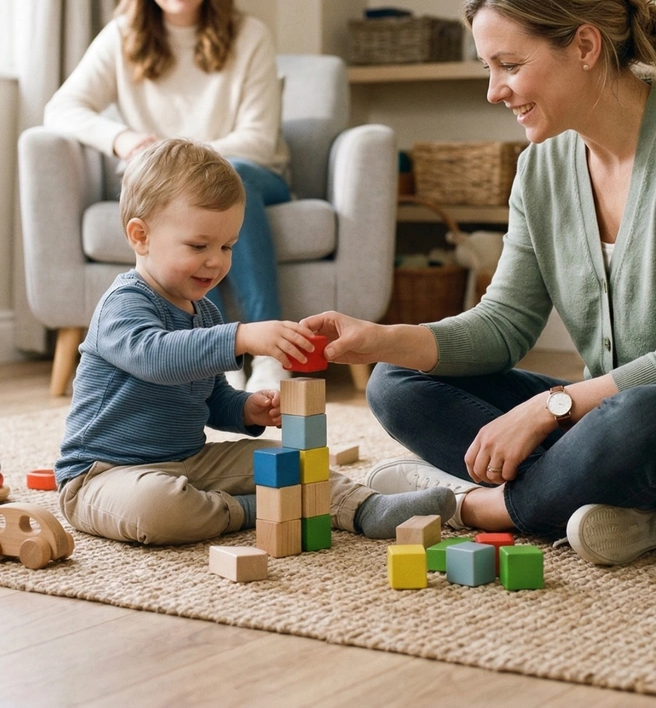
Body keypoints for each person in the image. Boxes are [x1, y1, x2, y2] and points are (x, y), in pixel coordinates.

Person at [306, 0, 656, 567]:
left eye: (508, 65)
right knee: (399, 381)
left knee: (642, 419)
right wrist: (384, 339)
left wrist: (549, 409)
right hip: (616, 417)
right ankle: (620, 508)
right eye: (487, 69)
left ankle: (473, 505)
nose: (494, 91)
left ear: (584, 47)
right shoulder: (541, 168)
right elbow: (503, 325)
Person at [55, 139, 455, 546]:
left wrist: (247, 409)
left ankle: (363, 507)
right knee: (159, 509)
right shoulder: (123, 304)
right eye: (199, 246)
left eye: (227, 246)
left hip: (189, 461)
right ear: (140, 236)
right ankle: (257, 509)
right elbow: (157, 357)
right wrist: (242, 335)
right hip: (103, 475)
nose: (216, 260)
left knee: (287, 458)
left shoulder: (205, 312)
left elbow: (209, 399)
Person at [44, 0, 290, 393]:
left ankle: (270, 360)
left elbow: (258, 138)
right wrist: (124, 140)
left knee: (230, 177)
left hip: (254, 175)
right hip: (170, 188)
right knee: (189, 204)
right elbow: (61, 107)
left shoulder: (250, 35)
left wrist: (178, 161)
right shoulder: (122, 37)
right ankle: (213, 354)